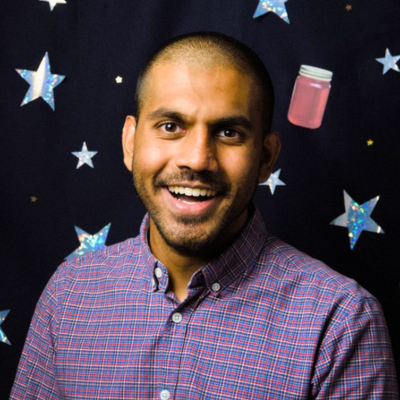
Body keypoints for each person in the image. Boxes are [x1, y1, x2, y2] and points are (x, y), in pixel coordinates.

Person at [11, 32, 398, 399]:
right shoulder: (69, 295)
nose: (196, 159)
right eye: (170, 126)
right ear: (130, 143)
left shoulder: (341, 321)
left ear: (265, 158)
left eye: (229, 133)